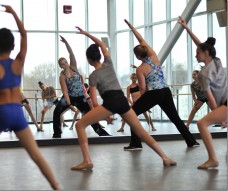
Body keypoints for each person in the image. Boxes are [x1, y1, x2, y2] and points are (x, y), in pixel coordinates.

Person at [0, 5, 60, 190]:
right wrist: (14, 13)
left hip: (2, 113)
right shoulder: (18, 63)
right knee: (36, 155)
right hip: (17, 113)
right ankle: (57, 186)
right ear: (13, 46)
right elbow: (24, 35)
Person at [71, 26, 176, 170]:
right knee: (141, 131)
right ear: (100, 56)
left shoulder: (93, 76)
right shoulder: (109, 63)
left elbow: (94, 101)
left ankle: (87, 161)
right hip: (122, 100)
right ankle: (165, 157)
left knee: (79, 125)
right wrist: (86, 33)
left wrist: (103, 116)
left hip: (111, 102)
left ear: (89, 60)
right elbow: (102, 45)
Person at [123, 19, 200, 151]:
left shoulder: (140, 69)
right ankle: (191, 141)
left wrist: (143, 101)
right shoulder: (154, 57)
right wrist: (132, 27)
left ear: (137, 57)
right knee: (175, 118)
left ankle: (136, 144)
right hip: (165, 91)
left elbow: (142, 89)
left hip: (154, 93)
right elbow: (141, 40)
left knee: (132, 114)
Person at [178, 16, 227, 169]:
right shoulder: (216, 60)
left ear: (206, 53)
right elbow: (200, 44)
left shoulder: (203, 73)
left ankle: (213, 159)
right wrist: (186, 28)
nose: (195, 55)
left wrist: (220, 118)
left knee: (202, 123)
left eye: (197, 53)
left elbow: (211, 99)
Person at [52, 35, 110, 138]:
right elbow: (65, 91)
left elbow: (71, 53)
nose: (65, 64)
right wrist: (69, 104)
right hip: (69, 97)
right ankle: (57, 134)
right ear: (60, 66)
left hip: (80, 97)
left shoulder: (73, 67)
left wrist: (66, 43)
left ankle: (101, 133)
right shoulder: (62, 76)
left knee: (89, 114)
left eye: (65, 62)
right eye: (62, 64)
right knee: (57, 112)